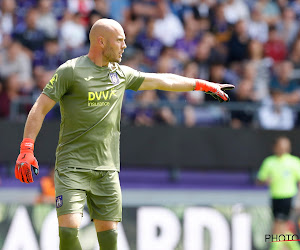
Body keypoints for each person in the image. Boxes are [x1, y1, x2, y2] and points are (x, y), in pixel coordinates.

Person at [14, 18, 234, 250]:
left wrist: (201, 84)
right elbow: (39, 108)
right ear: (101, 41)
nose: (124, 46)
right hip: (72, 167)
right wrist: (26, 148)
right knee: (68, 234)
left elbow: (162, 80)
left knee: (110, 242)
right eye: (119, 41)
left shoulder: (121, 74)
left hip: (107, 170)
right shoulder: (71, 71)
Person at [257, 136, 300, 250]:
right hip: (275, 197)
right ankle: (291, 245)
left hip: (289, 197)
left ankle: (277, 246)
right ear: (275, 147)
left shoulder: (294, 162)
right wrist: (265, 181)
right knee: (282, 225)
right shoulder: (269, 162)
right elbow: (259, 180)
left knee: (279, 223)